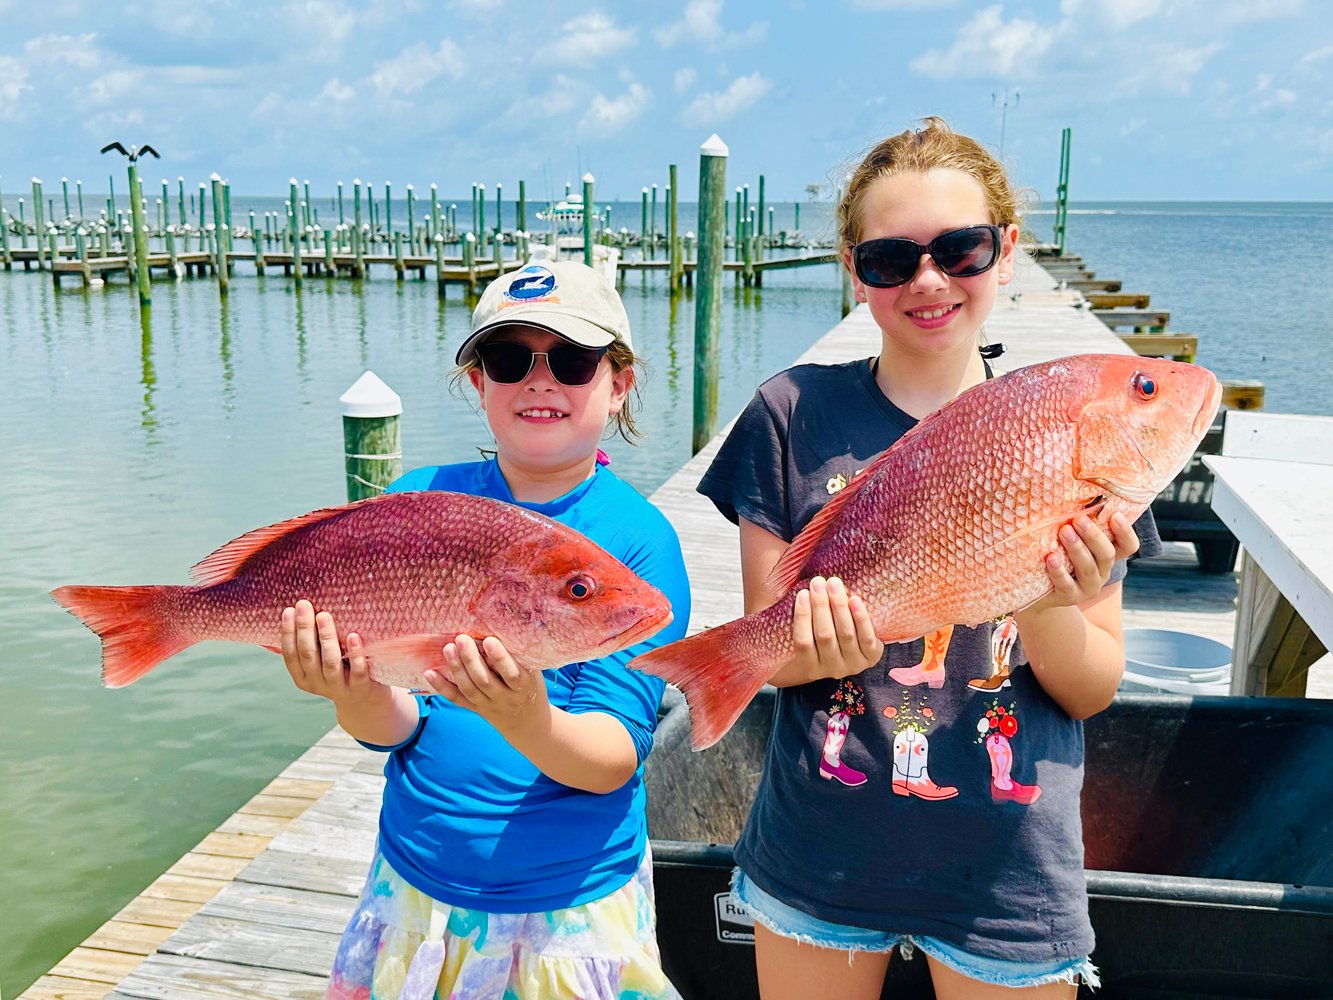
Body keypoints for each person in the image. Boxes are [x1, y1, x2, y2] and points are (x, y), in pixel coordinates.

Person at [697, 117, 1161, 998]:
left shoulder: (1056, 435)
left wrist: (1050, 599)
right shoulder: (790, 414)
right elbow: (772, 639)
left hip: (1007, 868)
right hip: (818, 850)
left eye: (960, 249)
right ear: (852, 268)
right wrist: (804, 650)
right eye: (888, 260)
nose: (927, 280)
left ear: (1006, 250)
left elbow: (1092, 687)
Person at [281, 260, 690, 1000]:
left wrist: (526, 716)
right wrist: (345, 691)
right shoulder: (416, 500)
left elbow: (612, 758)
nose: (540, 381)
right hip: (415, 884)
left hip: (569, 904)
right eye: (508, 360)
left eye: (570, 360)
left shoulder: (636, 546)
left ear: (618, 382)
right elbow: (396, 727)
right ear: (478, 384)